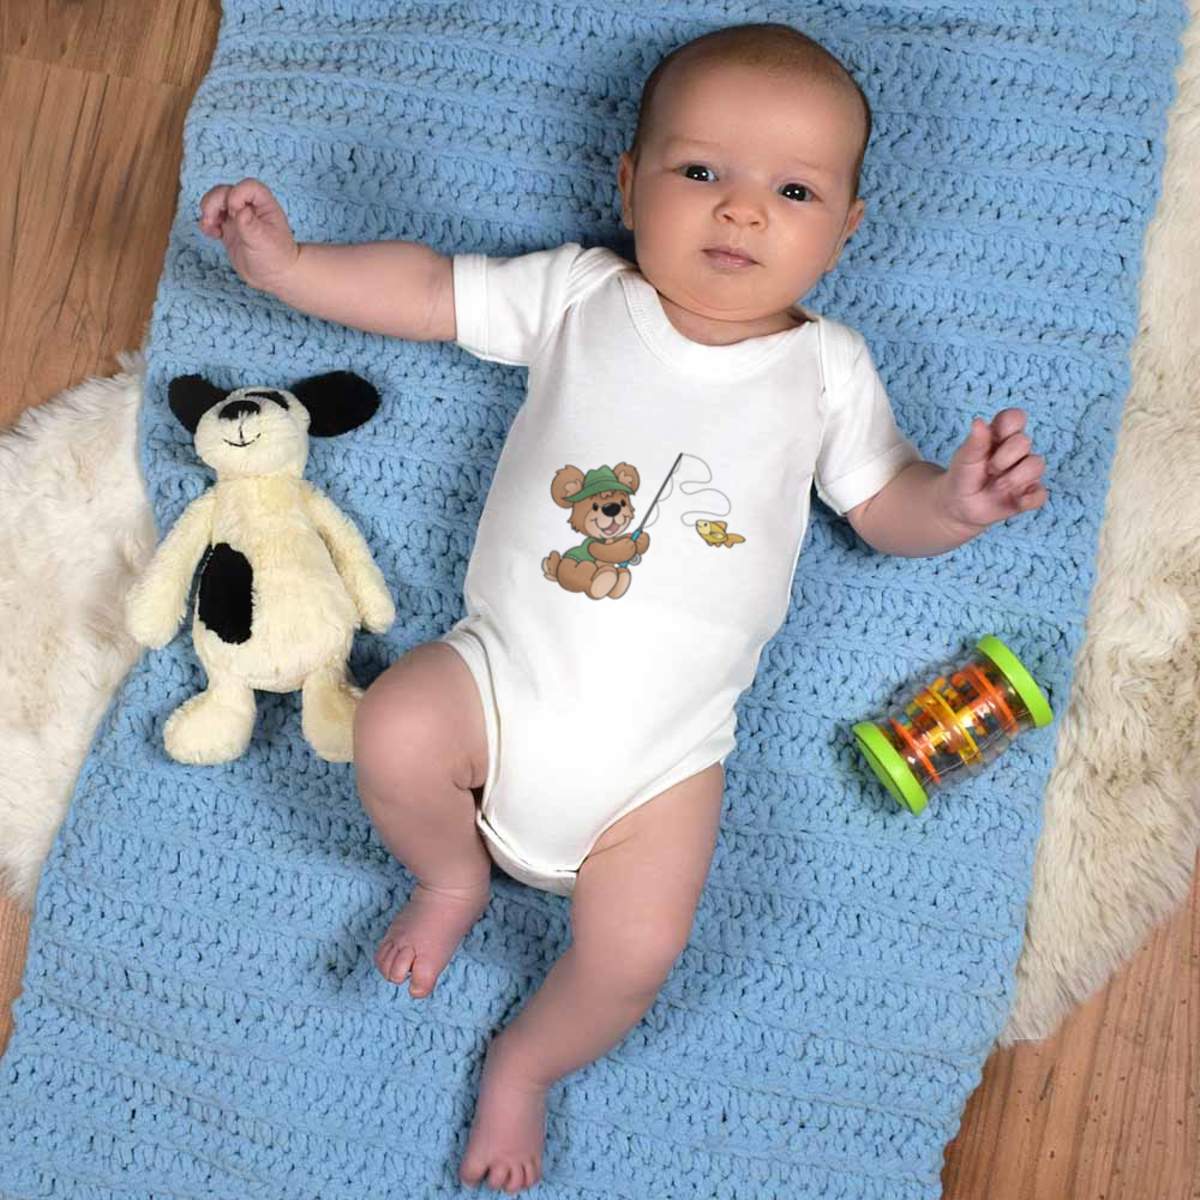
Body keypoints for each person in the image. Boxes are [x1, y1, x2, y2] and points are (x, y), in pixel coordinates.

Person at [198, 21, 1047, 1194]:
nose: (741, 211)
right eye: (701, 171)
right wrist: (292, 269)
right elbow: (431, 290)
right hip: (497, 684)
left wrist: (953, 503)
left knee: (639, 950)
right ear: (628, 182)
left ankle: (528, 1063)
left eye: (793, 191)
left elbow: (882, 506)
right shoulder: (582, 295)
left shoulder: (828, 370)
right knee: (394, 727)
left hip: (660, 772)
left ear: (848, 228)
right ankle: (450, 877)